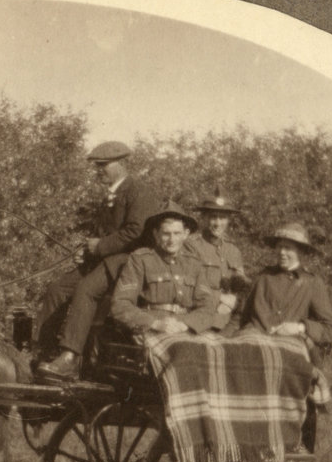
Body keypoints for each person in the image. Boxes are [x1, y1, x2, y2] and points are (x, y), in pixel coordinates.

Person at [35, 141, 159, 381]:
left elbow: (135, 231)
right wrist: (87, 251)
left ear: (121, 164)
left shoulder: (139, 191)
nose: (99, 170)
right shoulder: (111, 195)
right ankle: (44, 351)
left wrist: (100, 246)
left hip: (127, 261)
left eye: (103, 165)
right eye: (97, 166)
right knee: (56, 289)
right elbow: (101, 233)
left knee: (86, 290)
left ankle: (69, 358)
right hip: (102, 261)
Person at [232, 222, 332, 360]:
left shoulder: (311, 283)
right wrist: (224, 339)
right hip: (253, 343)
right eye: (279, 247)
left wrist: (300, 327)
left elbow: (330, 330)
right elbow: (241, 317)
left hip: (288, 349)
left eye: (288, 248)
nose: (282, 252)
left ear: (300, 251)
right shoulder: (263, 277)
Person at [110, 202, 217, 339]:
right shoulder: (140, 260)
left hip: (187, 328)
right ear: (156, 234)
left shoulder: (194, 263)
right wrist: (155, 324)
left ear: (186, 234)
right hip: (152, 329)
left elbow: (207, 307)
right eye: (166, 234)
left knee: (221, 352)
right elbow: (120, 304)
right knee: (180, 353)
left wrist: (185, 324)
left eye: (177, 233)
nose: (172, 240)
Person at [182, 190, 251, 331]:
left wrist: (234, 300)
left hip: (230, 315)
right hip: (202, 314)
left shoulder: (233, 250)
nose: (218, 223)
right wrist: (220, 298)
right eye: (213, 217)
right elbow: (187, 285)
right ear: (203, 218)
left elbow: (241, 284)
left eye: (223, 218)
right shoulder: (191, 245)